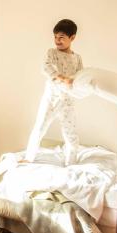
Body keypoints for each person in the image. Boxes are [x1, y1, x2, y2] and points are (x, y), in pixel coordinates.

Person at [24, 19, 83, 166]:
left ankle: (71, 162)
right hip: (51, 99)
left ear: (72, 37)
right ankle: (29, 157)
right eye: (55, 37)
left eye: (61, 37)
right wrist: (62, 78)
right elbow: (46, 67)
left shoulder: (77, 58)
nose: (57, 40)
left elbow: (81, 75)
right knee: (39, 127)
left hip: (68, 101)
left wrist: (78, 83)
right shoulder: (52, 53)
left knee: (71, 134)